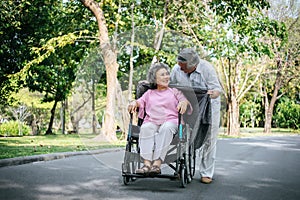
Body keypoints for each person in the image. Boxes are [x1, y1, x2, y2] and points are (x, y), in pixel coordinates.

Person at [170, 48, 222, 184]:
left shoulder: (207, 69)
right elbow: (170, 86)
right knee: (181, 134)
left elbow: (217, 89)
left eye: (183, 68)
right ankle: (179, 167)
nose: (180, 70)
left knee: (209, 138)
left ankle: (206, 173)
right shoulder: (176, 69)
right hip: (185, 105)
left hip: (208, 106)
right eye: (179, 66)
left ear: (193, 65)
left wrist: (213, 94)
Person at [128, 62, 191, 175]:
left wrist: (184, 103)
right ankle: (147, 164)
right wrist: (134, 102)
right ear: (154, 78)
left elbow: (184, 100)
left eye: (167, 74)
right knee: (146, 127)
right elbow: (140, 102)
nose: (166, 77)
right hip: (152, 121)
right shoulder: (149, 93)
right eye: (162, 75)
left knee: (166, 128)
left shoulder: (175, 91)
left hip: (170, 121)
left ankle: (157, 164)